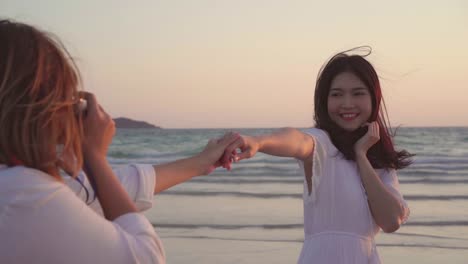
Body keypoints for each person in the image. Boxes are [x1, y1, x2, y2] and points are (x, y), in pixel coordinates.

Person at [0, 19, 237, 264]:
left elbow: (98, 193)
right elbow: (146, 257)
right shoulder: (23, 192)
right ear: (37, 105)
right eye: (64, 94)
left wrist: (200, 163)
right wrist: (94, 156)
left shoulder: (20, 187)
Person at [221, 48, 413, 263]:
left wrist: (361, 155)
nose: (347, 103)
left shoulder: (381, 164)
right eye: (337, 94)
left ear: (373, 99)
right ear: (324, 100)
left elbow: (391, 221)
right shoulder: (322, 143)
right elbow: (297, 141)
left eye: (358, 93)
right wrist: (260, 142)